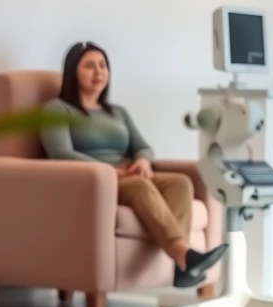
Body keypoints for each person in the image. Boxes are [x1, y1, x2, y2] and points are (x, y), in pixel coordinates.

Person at [40, 42, 228, 289]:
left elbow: (143, 146)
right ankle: (184, 255)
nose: (98, 71)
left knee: (180, 182)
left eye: (102, 65)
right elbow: (60, 153)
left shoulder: (117, 112)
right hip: (94, 181)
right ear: (72, 71)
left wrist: (142, 161)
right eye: (89, 66)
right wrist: (108, 171)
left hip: (127, 173)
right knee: (141, 186)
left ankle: (182, 264)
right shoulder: (57, 109)